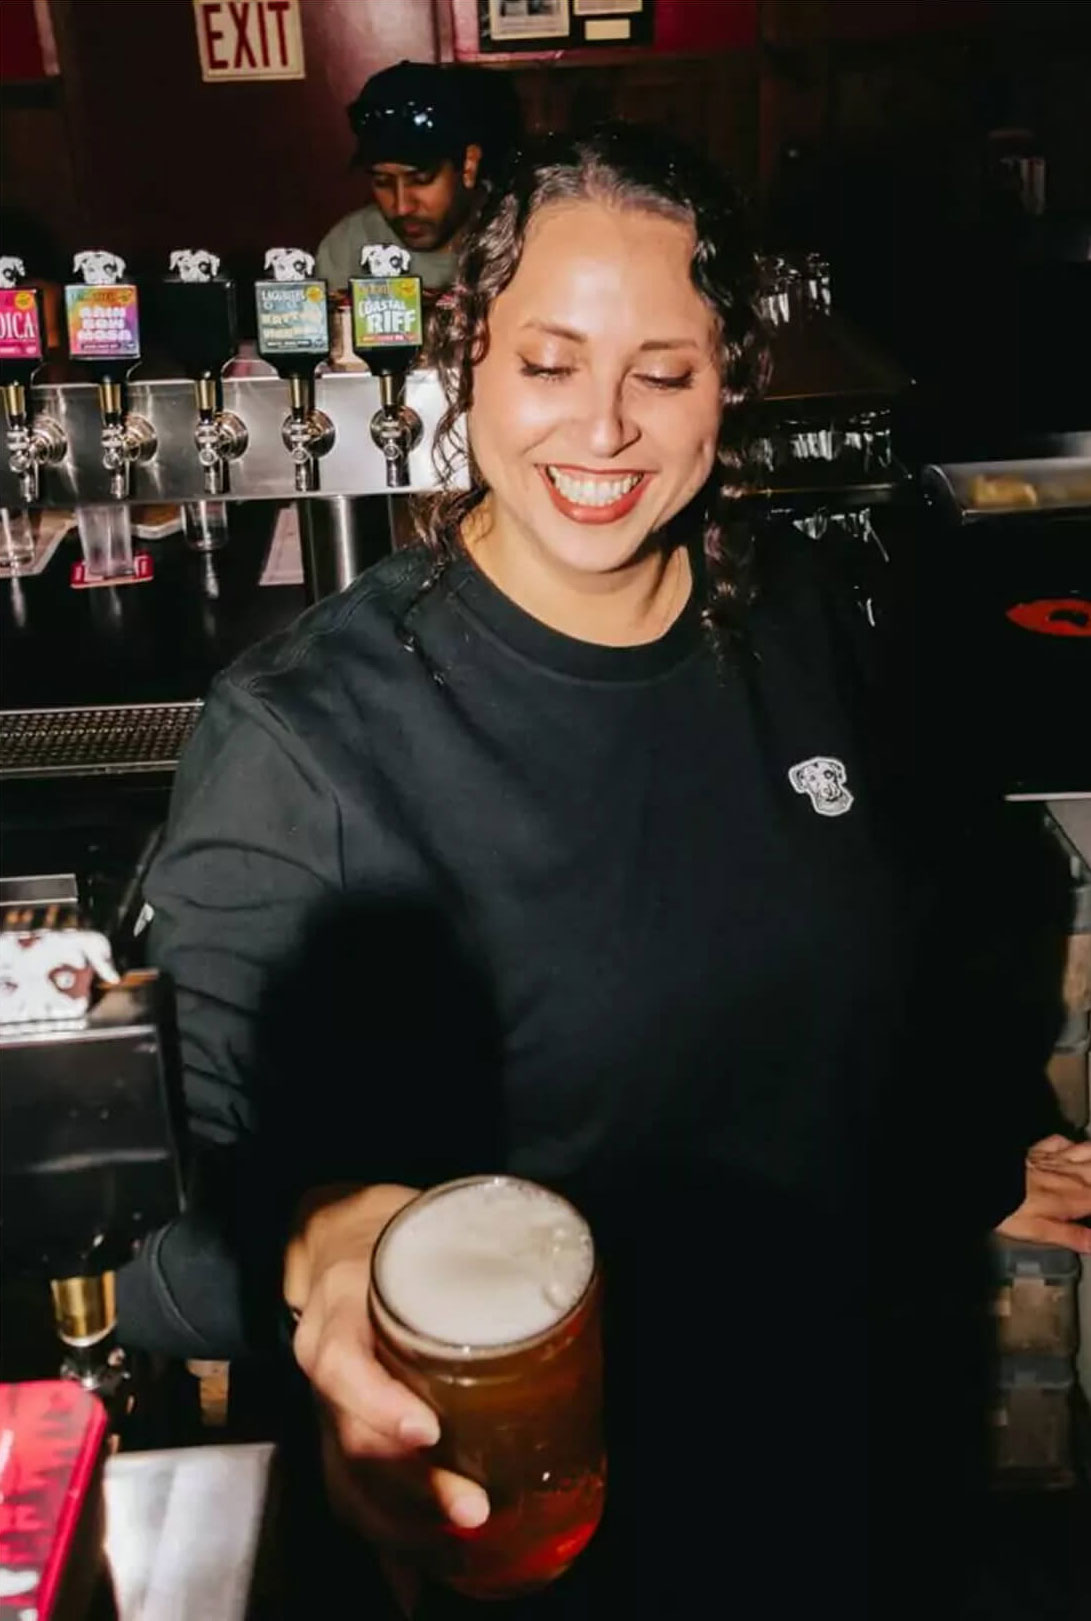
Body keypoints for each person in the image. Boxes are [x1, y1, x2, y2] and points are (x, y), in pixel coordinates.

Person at [137, 125, 1091, 1617]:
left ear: (729, 384)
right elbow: (169, 1188)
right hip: (527, 1510)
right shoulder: (308, 737)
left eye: (662, 371)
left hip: (835, 1453)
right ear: (466, 363)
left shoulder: (805, 623)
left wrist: (979, 1137)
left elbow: (914, 918)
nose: (602, 427)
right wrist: (326, 1251)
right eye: (546, 362)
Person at [315, 60, 520, 294]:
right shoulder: (351, 245)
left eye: (421, 180)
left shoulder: (520, 240)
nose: (402, 207)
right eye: (382, 182)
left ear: (468, 166)